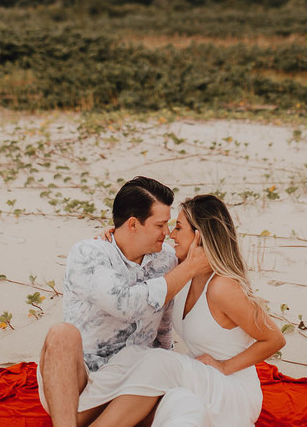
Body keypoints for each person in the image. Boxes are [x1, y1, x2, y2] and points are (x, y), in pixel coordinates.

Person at [76, 194, 286, 427]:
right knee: (154, 377)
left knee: (158, 361)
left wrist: (225, 366)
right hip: (201, 379)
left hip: (232, 388)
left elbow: (274, 339)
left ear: (199, 235)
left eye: (178, 227)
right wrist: (119, 236)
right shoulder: (183, 271)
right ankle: (79, 416)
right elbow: (145, 249)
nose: (171, 235)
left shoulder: (223, 287)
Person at [39, 177, 214, 427]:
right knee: (61, 334)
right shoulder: (89, 253)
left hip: (134, 382)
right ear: (133, 224)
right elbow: (124, 303)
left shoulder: (166, 259)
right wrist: (187, 270)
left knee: (188, 404)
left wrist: (170, 364)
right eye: (160, 225)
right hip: (81, 381)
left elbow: (164, 325)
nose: (166, 233)